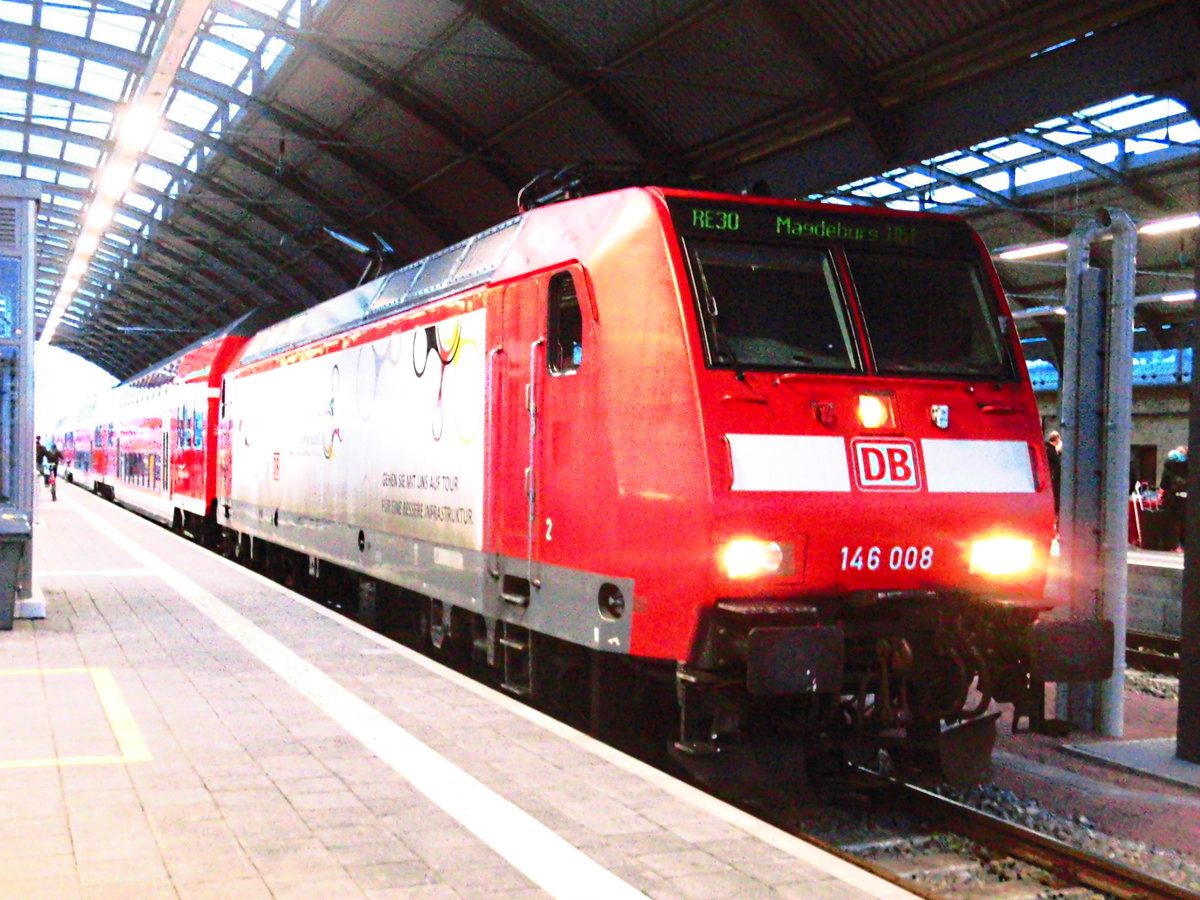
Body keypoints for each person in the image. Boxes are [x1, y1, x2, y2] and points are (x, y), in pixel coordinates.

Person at [1160, 445, 1188, 552]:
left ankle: (1172, 545)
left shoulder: (1168, 466)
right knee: (1184, 524)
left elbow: (1163, 484)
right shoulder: (1188, 467)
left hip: (1171, 499)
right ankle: (1182, 545)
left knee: (1172, 523)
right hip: (1184, 498)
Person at [1045, 431, 1062, 518]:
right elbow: (1058, 466)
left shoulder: (1047, 449)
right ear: (1057, 439)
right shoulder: (1051, 451)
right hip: (1054, 479)